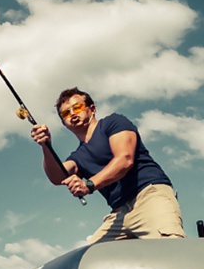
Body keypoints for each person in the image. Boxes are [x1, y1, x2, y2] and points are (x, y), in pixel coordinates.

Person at [31, 87, 185, 242]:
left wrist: (89, 185)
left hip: (148, 196)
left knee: (172, 250)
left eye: (77, 107)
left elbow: (125, 160)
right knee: (90, 258)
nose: (72, 114)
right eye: (66, 113)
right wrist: (46, 146)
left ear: (92, 109)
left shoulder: (113, 123)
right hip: (119, 213)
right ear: (64, 123)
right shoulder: (77, 156)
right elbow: (57, 177)